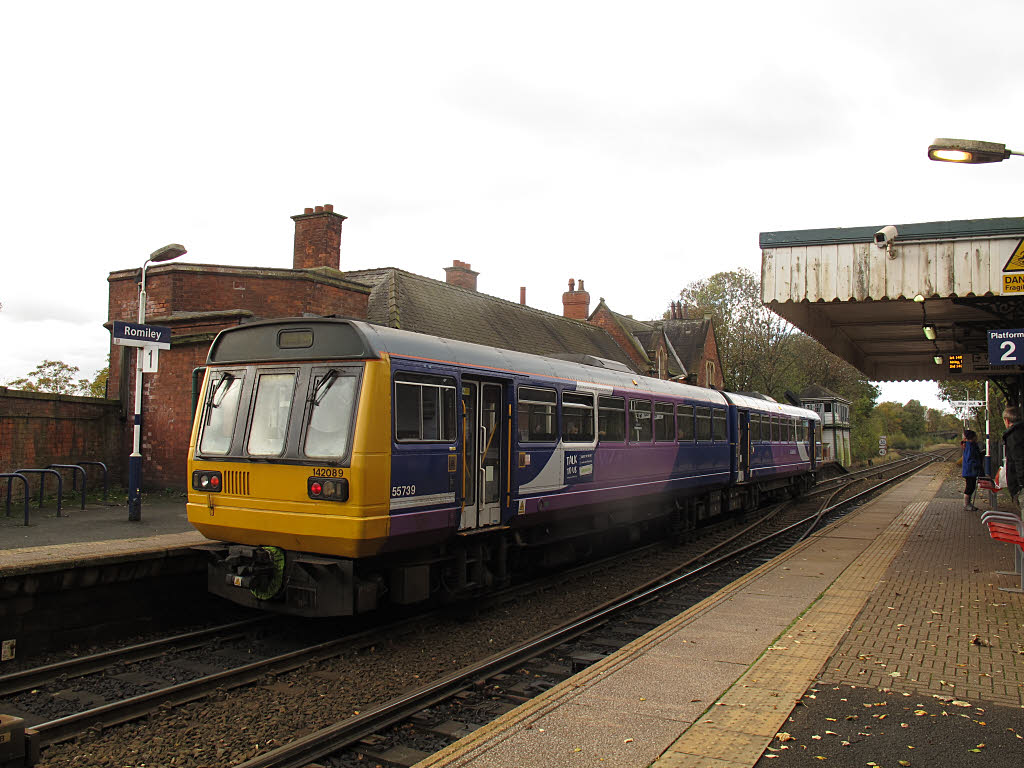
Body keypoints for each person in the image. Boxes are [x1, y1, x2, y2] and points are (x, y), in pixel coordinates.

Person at [1002, 405, 1024, 510]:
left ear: (1006, 420)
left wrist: (1020, 486)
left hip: (1020, 486)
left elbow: (1019, 460)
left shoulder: (1014, 436)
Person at [960, 429, 983, 511]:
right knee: (970, 487)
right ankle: (966, 504)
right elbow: (971, 458)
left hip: (970, 470)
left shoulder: (969, 445)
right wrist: (977, 465)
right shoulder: (970, 446)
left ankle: (968, 503)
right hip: (970, 470)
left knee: (971, 486)